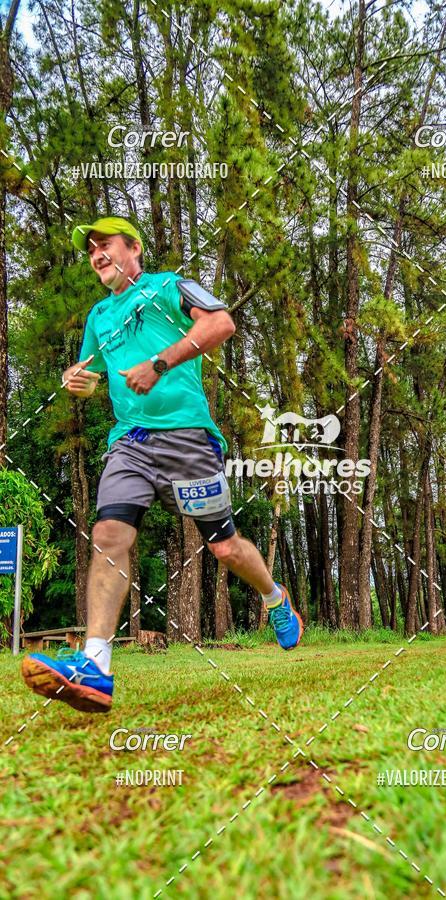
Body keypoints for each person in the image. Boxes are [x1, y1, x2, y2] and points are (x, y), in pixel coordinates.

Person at [21, 216, 304, 713]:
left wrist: (160, 363)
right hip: (129, 442)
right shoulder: (97, 317)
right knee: (109, 534)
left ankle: (274, 597)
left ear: (133, 248)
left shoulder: (167, 287)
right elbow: (89, 376)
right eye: (90, 251)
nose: (96, 255)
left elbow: (220, 323)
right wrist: (78, 382)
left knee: (225, 549)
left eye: (104, 244)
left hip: (188, 438)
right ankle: (96, 665)